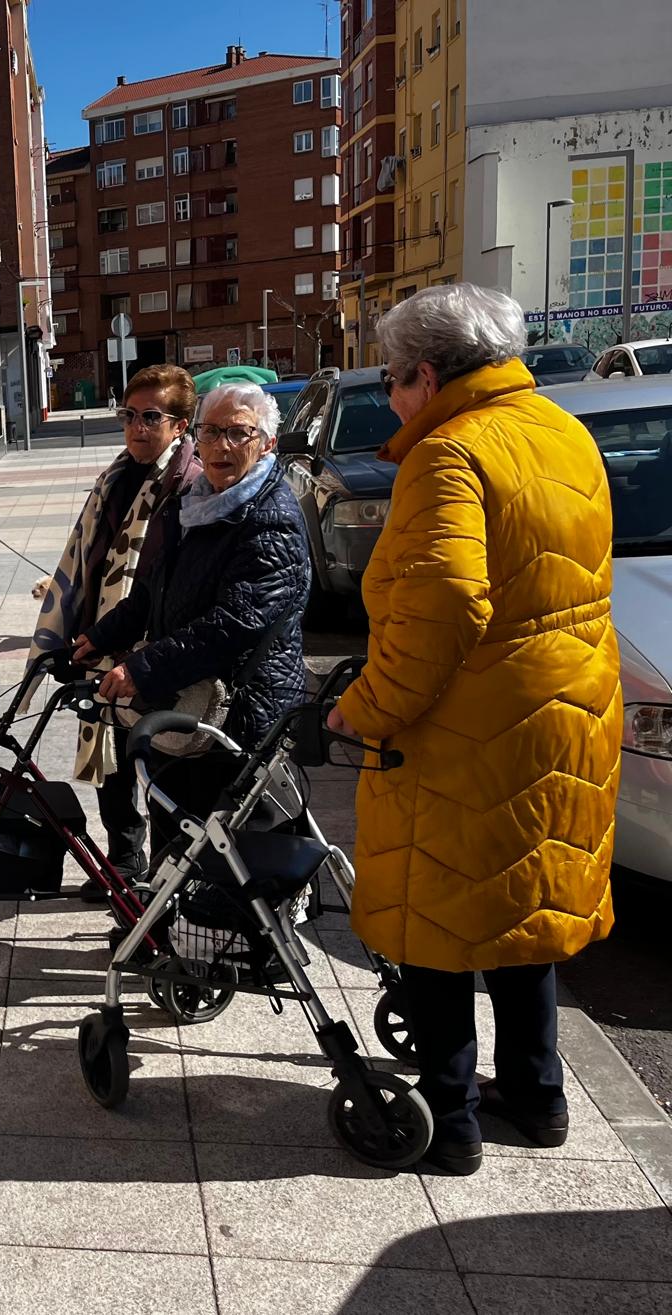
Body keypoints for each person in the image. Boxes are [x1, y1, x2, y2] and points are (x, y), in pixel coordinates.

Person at [327, 284, 621, 1177]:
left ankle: (445, 1120)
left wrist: (362, 709)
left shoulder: (450, 456)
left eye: (391, 379)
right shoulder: (562, 431)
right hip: (563, 715)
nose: (389, 398)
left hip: (469, 728)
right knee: (521, 915)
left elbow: (441, 609)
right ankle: (538, 1096)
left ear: (426, 373)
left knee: (436, 927)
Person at [74, 382, 310, 858]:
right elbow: (150, 591)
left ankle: (224, 929)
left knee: (221, 852)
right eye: (211, 432)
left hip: (236, 713)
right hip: (187, 700)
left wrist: (141, 668)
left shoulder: (270, 515)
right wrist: (99, 637)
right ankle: (161, 927)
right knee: (173, 834)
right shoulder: (197, 503)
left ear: (266, 443)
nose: (222, 445)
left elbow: (235, 622)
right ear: (196, 438)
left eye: (238, 433)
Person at [29, 364, 201, 897]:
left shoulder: (190, 484)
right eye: (130, 415)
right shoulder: (117, 475)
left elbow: (172, 582)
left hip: (157, 647)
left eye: (152, 417)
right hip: (103, 638)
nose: (138, 427)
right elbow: (91, 555)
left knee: (159, 760)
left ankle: (170, 881)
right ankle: (124, 860)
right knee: (112, 756)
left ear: (179, 423)